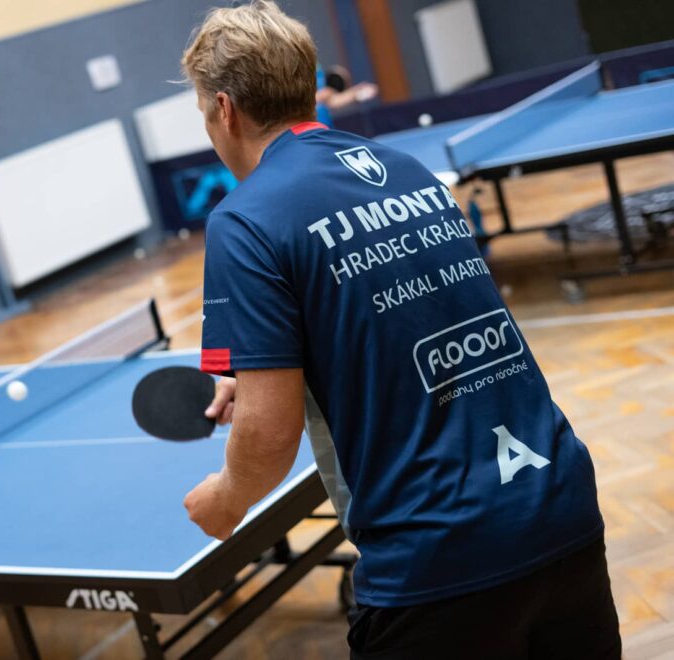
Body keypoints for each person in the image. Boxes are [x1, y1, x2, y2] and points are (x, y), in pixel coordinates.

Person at [179, 2, 620, 658]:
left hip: (436, 558)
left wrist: (226, 498)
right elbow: (411, 316)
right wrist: (278, 370)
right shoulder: (409, 172)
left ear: (225, 109)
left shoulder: (244, 220)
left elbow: (269, 436)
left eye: (203, 112)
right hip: (560, 507)